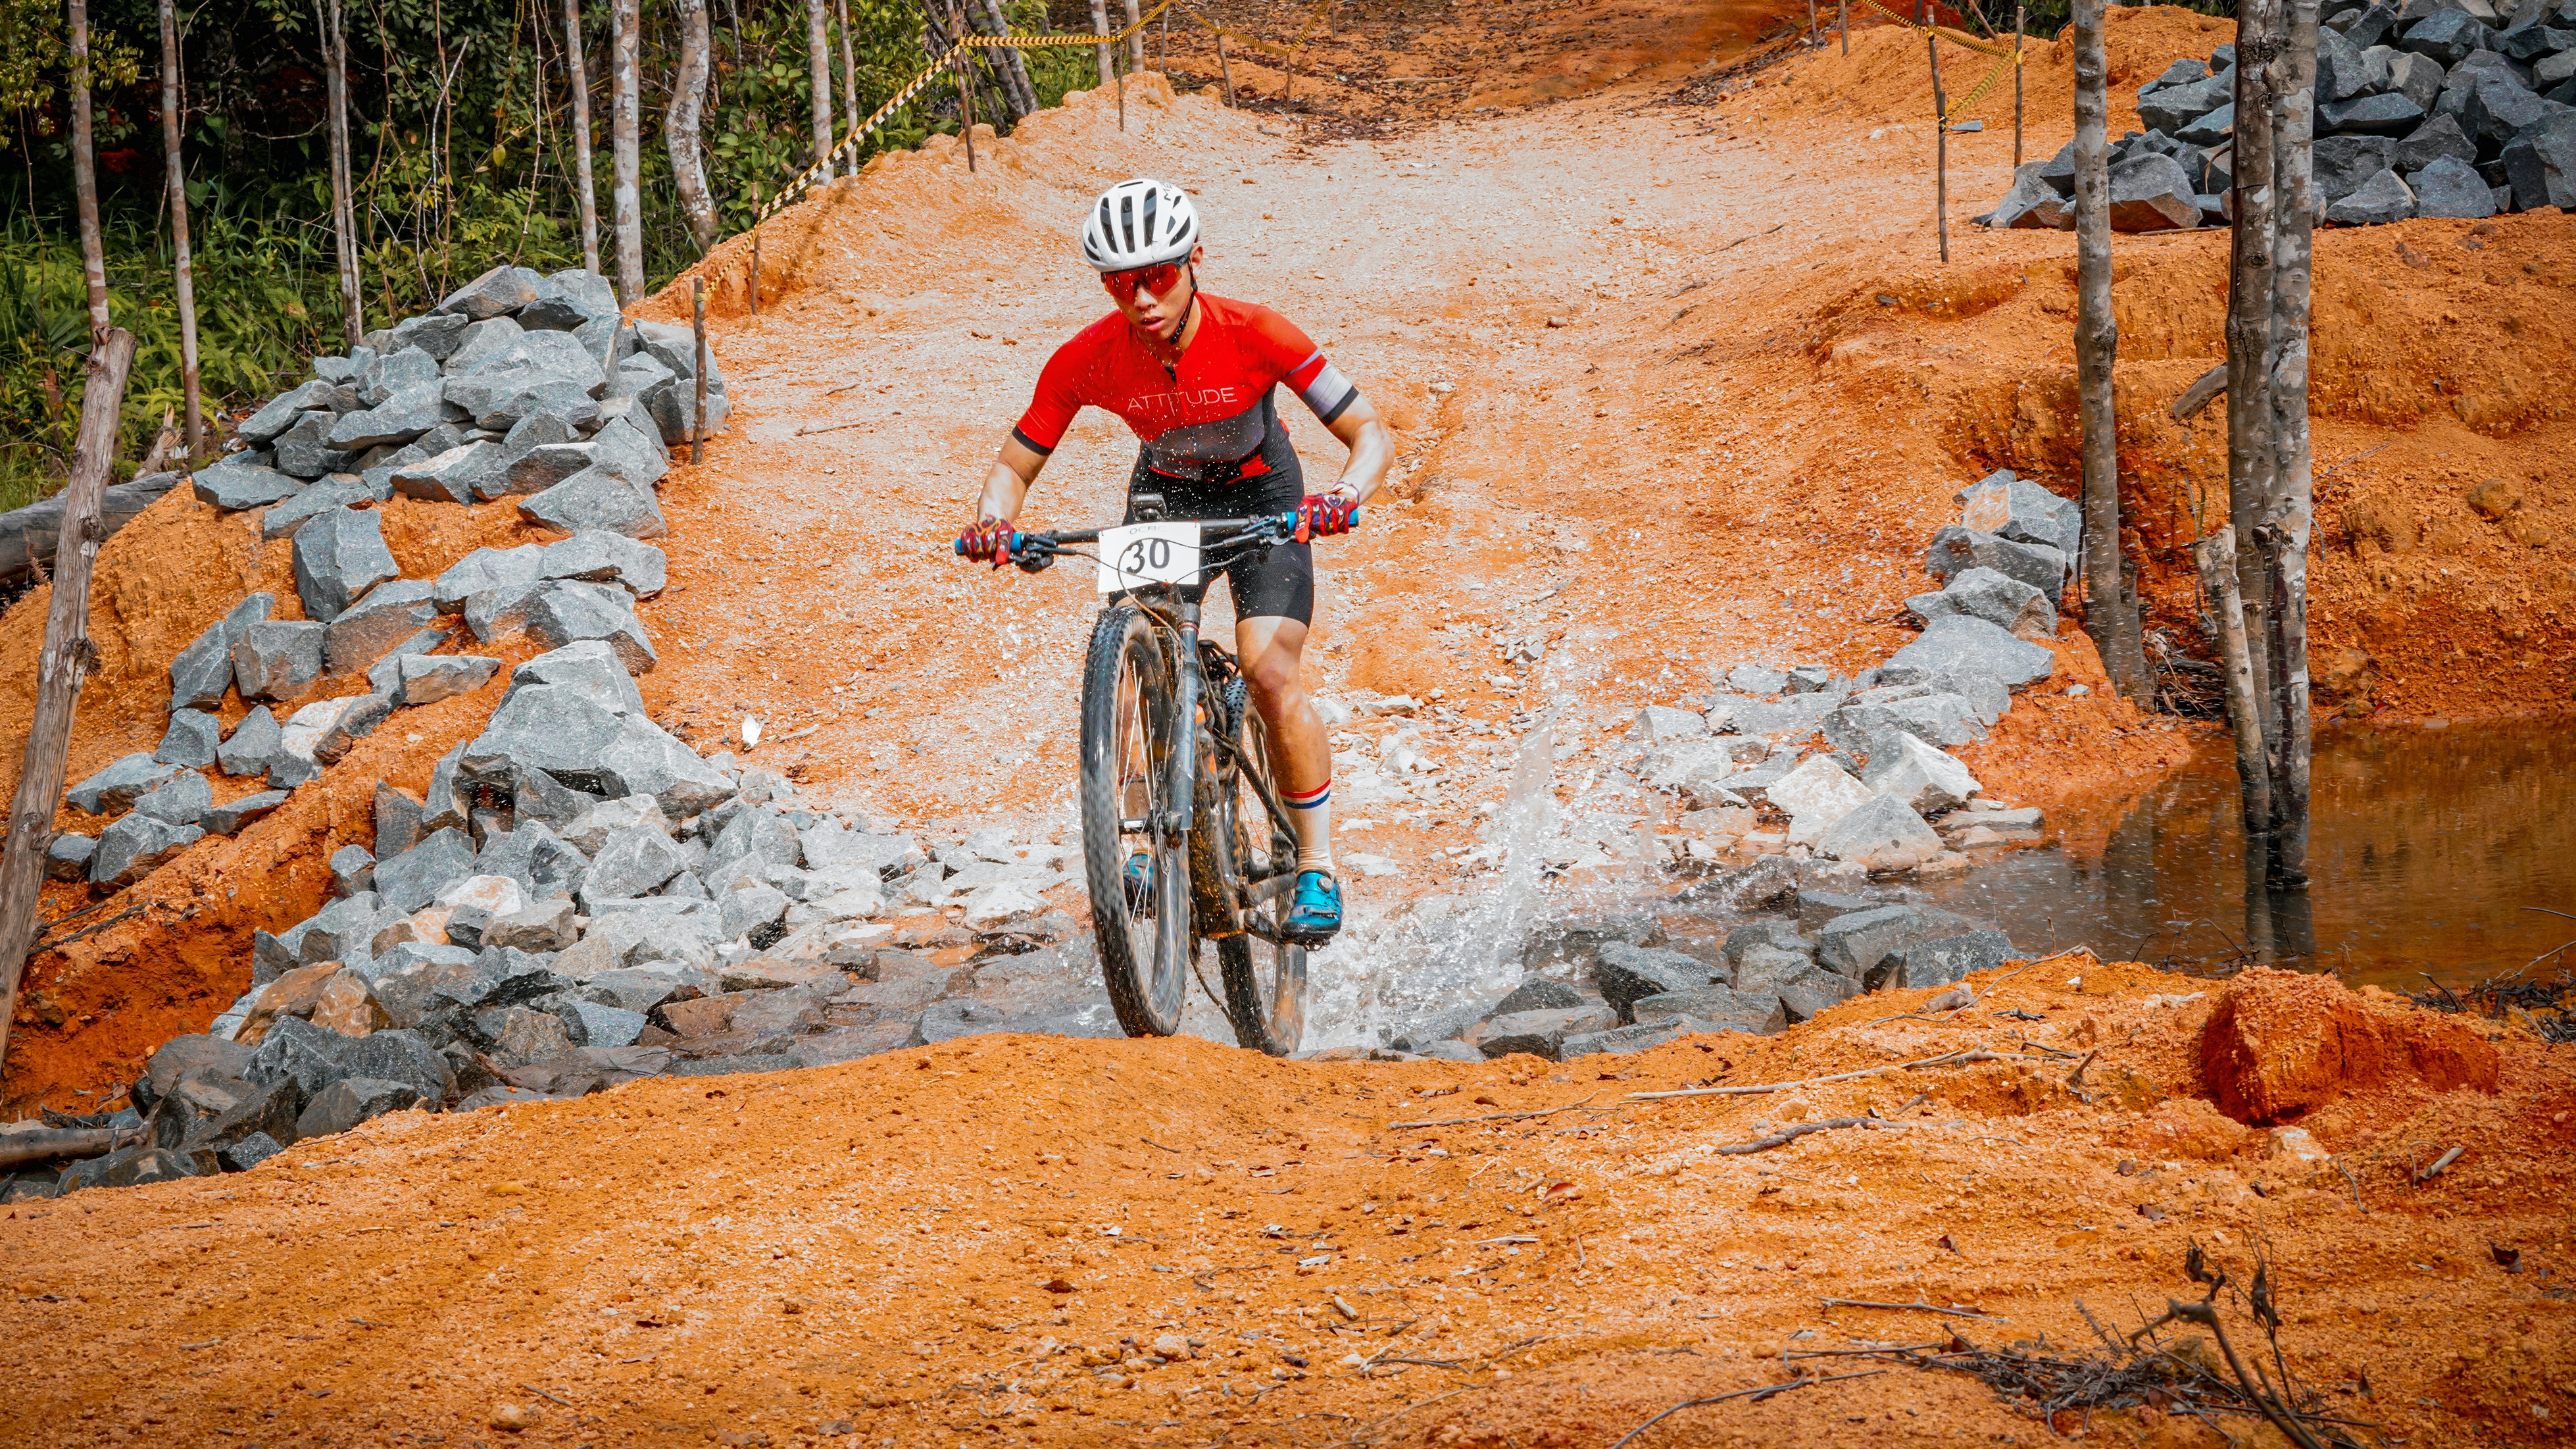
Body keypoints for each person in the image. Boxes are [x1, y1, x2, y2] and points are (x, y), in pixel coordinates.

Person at [958, 177, 1393, 946]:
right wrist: (995, 524)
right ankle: (1147, 839)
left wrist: (1343, 494)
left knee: (1267, 668)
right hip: (1165, 500)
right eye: (1121, 285)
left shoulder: (1259, 332)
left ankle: (1319, 865)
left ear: (1194, 260)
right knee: (1132, 649)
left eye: (1157, 277)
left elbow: (1368, 432)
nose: (1142, 300)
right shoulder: (1088, 358)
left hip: (1265, 492)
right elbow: (1014, 466)